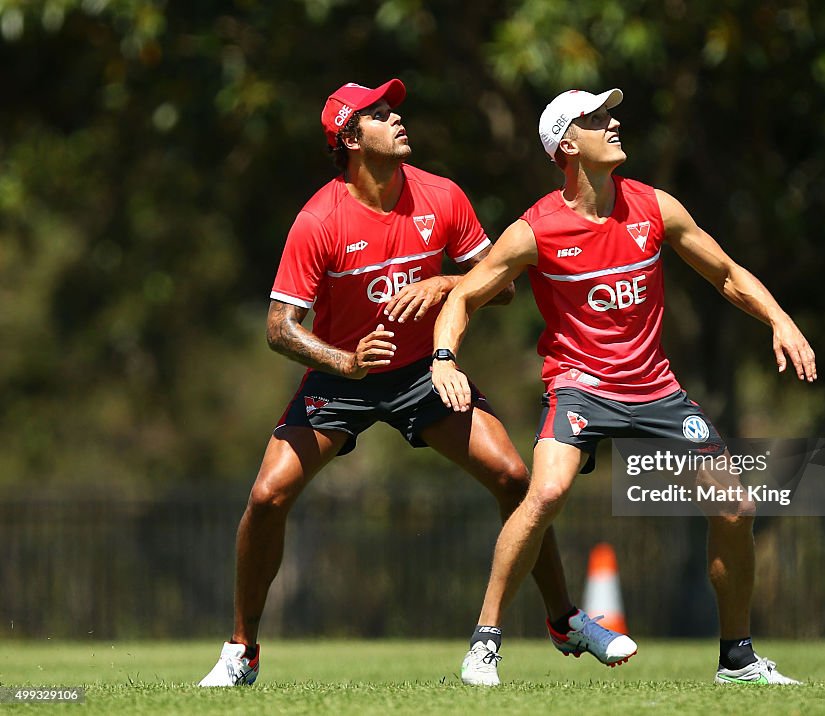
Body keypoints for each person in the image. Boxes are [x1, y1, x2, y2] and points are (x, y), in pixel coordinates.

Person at [199, 79, 630, 686]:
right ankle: (241, 650)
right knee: (268, 497)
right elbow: (279, 327)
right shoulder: (319, 218)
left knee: (513, 476)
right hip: (344, 381)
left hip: (422, 375)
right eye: (378, 114)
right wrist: (345, 362)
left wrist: (446, 284)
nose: (396, 117)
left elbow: (500, 285)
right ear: (351, 139)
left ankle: (564, 620)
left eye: (394, 108)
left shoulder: (442, 196)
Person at [432, 87, 817, 686]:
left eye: (610, 115)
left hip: (656, 389)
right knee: (546, 493)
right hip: (579, 386)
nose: (613, 124)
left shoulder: (655, 207)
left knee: (735, 506)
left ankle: (737, 660)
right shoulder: (535, 229)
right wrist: (444, 357)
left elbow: (726, 274)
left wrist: (779, 319)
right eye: (595, 119)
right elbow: (464, 294)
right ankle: (485, 644)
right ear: (567, 144)